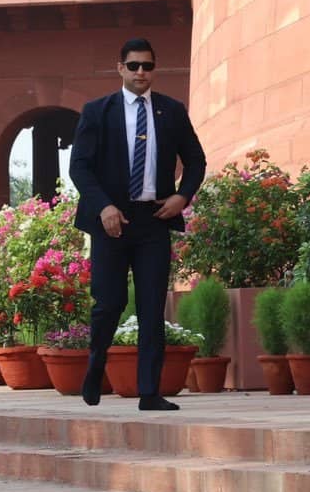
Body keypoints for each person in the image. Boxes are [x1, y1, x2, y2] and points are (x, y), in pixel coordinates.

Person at [69, 37, 207, 410]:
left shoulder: (171, 111)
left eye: (147, 66)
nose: (141, 72)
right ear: (121, 69)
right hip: (111, 221)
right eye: (134, 66)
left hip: (153, 220)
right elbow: (79, 166)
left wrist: (182, 196)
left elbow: (196, 161)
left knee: (151, 307)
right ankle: (95, 367)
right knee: (108, 303)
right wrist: (103, 208)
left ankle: (149, 391)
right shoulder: (98, 111)